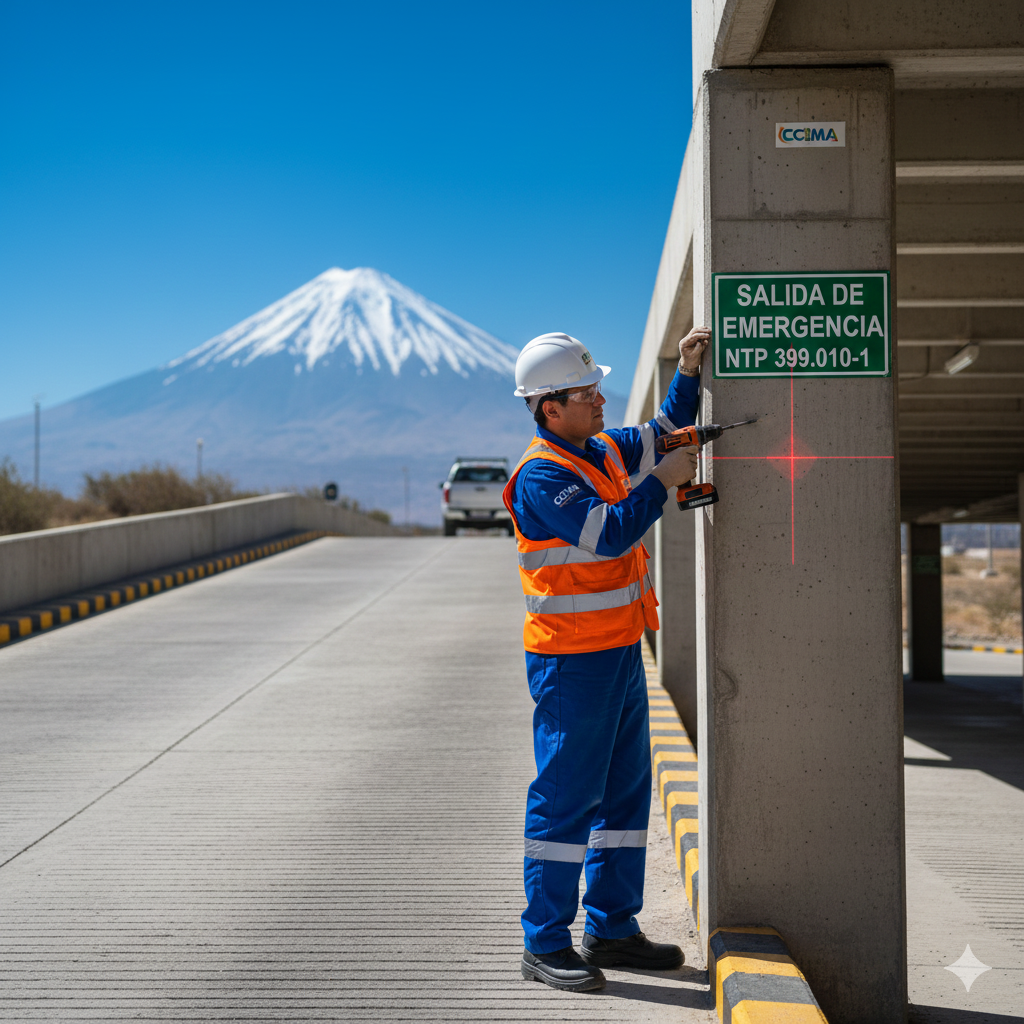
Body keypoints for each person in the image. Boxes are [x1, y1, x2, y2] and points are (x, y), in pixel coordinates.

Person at [501, 325, 710, 993]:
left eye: (597, 388)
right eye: (585, 393)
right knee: (566, 800)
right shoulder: (542, 476)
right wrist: (660, 485)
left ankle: (612, 928)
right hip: (572, 664)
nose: (600, 399)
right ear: (548, 407)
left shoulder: (601, 449)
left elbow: (665, 428)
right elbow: (609, 533)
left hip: (618, 652)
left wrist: (688, 371)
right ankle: (544, 942)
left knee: (624, 795)